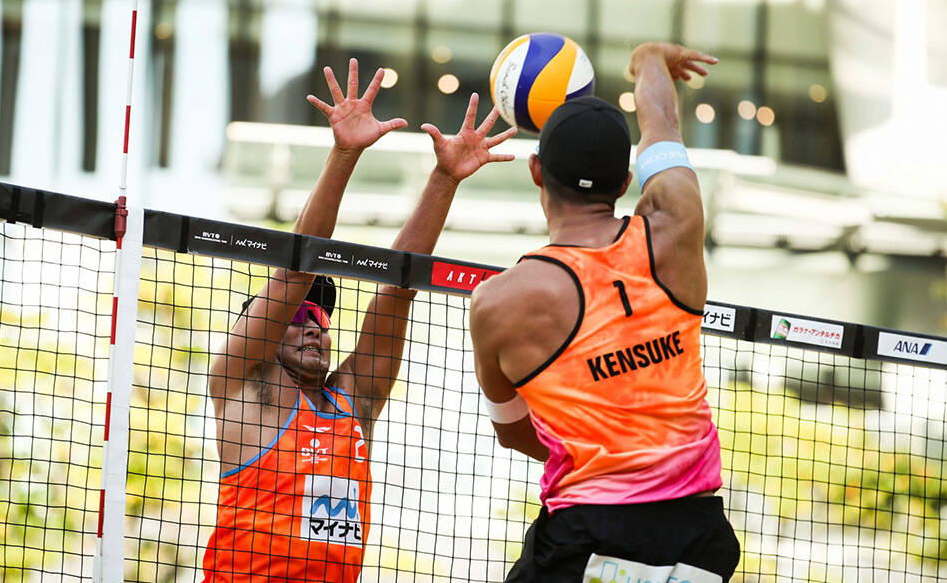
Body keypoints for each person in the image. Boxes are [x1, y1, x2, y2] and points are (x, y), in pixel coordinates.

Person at [201, 59, 516, 583]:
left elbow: (396, 292)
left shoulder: (352, 401)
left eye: (322, 318)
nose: (315, 326)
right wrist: (344, 154)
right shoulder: (243, 390)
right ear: (262, 332)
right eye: (298, 317)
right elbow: (293, 272)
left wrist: (445, 178)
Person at [468, 42, 740, 582]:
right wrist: (649, 61)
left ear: (536, 171)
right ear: (624, 184)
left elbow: (513, 430)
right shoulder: (676, 228)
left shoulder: (499, 303)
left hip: (585, 536)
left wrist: (601, 452)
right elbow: (662, 127)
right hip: (697, 536)